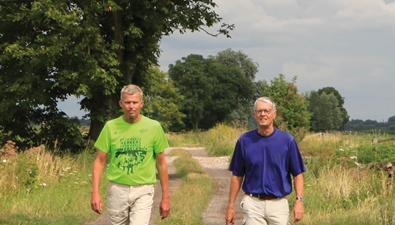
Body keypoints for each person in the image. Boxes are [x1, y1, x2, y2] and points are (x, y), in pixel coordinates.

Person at [90, 84, 170, 225]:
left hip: (143, 189)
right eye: (127, 102)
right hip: (117, 189)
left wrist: (166, 197)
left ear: (141, 104)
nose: (131, 106)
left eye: (135, 102)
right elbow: (99, 161)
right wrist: (95, 193)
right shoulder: (110, 126)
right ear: (121, 104)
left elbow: (161, 163)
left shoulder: (154, 127)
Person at [225, 97, 305, 225]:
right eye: (259, 111)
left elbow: (298, 174)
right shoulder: (244, 141)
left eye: (266, 111)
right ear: (255, 115)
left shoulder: (287, 141)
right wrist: (230, 206)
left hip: (279, 205)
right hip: (253, 204)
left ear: (274, 114)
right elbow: (237, 176)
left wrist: (299, 201)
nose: (263, 114)